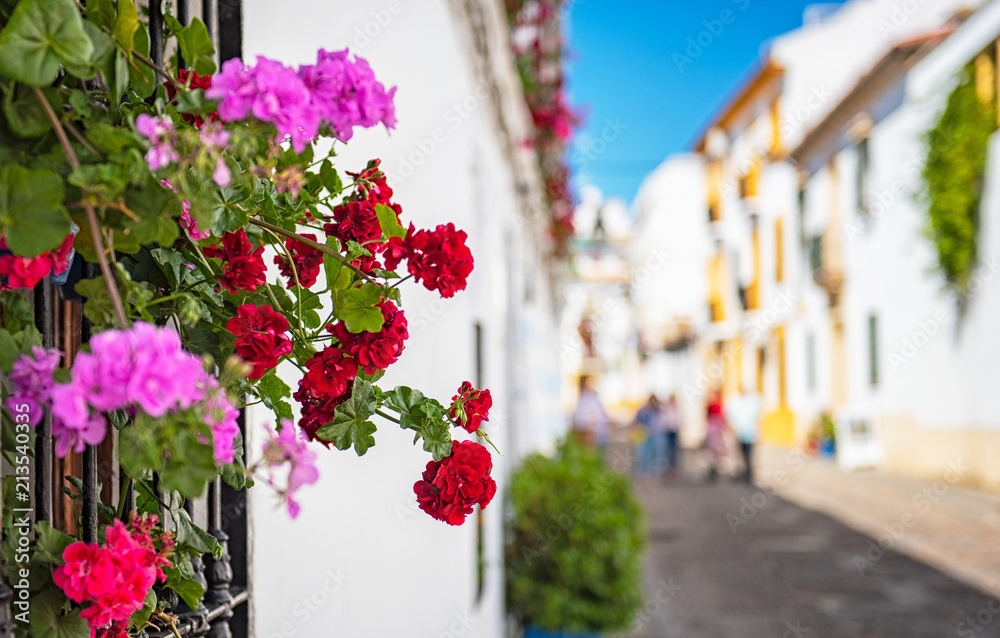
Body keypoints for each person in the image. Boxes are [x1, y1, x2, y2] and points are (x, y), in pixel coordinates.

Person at [727, 388, 762, 482]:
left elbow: (757, 417)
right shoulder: (737, 402)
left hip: (749, 433)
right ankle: (742, 472)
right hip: (740, 432)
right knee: (740, 454)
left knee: (748, 454)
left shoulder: (752, 402)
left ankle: (748, 473)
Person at [572, 376, 610, 454]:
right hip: (594, 437)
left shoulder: (593, 398)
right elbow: (583, 422)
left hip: (601, 436)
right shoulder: (584, 400)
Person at [633, 394, 665, 479]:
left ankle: (651, 473)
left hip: (654, 435)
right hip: (645, 434)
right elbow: (637, 420)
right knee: (644, 455)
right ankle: (644, 472)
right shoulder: (644, 410)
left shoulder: (657, 410)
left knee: (654, 455)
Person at [705, 388, 728, 480]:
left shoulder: (720, 405)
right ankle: (712, 468)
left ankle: (717, 467)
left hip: (718, 430)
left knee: (718, 451)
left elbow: (723, 417)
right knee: (712, 451)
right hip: (712, 430)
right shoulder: (709, 405)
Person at [661, 394, 682, 478]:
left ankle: (673, 469)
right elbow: (664, 420)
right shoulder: (667, 410)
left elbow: (679, 420)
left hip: (674, 432)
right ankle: (668, 469)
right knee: (668, 450)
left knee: (673, 451)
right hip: (668, 431)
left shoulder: (676, 409)